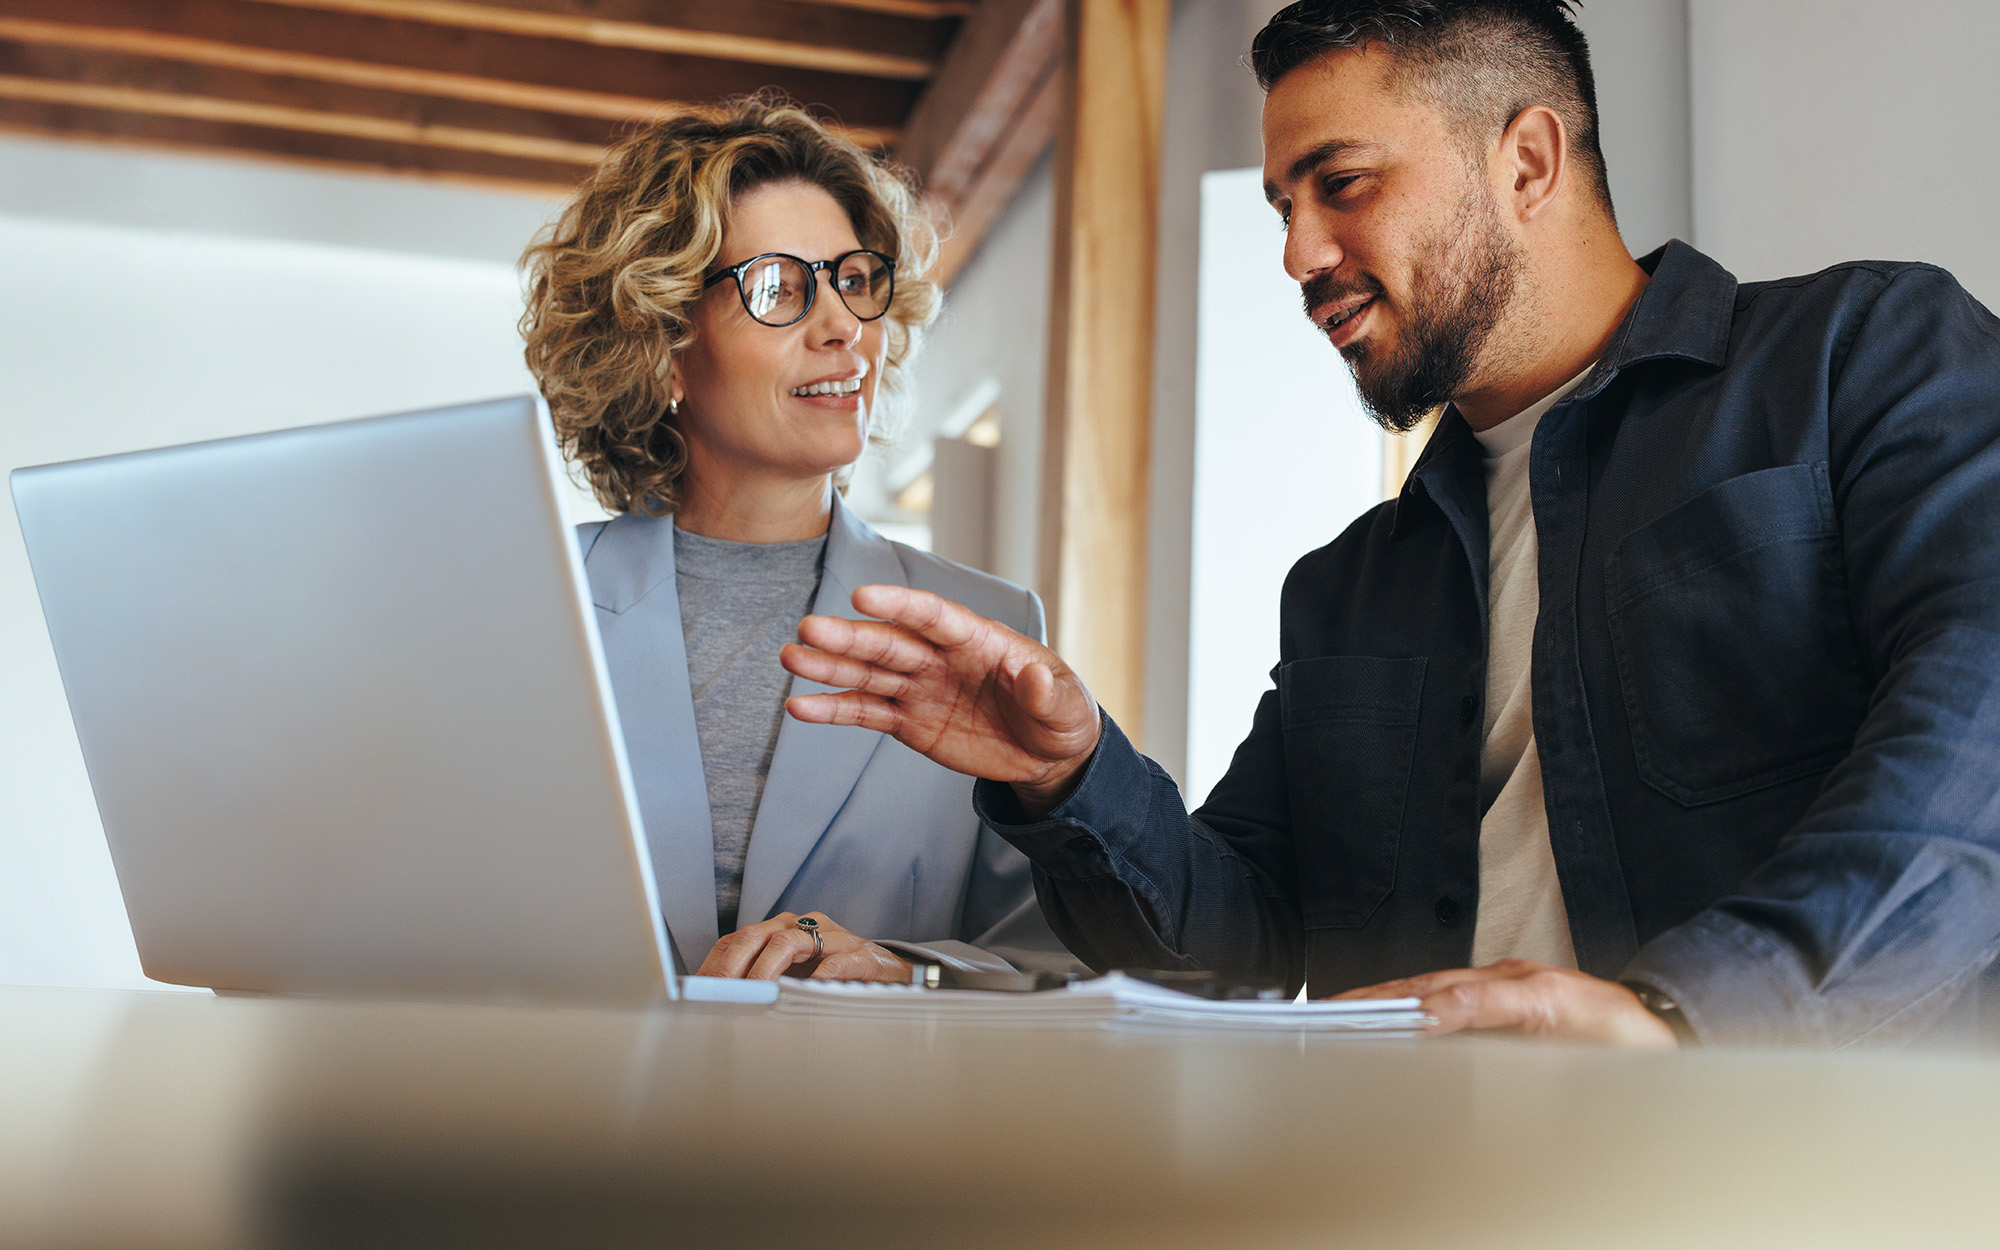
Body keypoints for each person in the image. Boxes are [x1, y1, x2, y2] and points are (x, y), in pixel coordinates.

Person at [778, 0, 2000, 1046]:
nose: (1299, 251)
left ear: (1527, 162)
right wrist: (1068, 773)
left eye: (1342, 185)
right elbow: (1237, 947)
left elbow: (1975, 730)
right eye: (1280, 207)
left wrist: (1685, 1014)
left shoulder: (1862, 359)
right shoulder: (1349, 586)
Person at [519, 96, 1076, 983]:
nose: (842, 328)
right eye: (779, 288)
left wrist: (905, 971)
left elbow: (1059, 959)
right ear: (663, 346)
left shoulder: (985, 623)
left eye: (853, 280)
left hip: (858, 1120)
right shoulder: (525, 607)